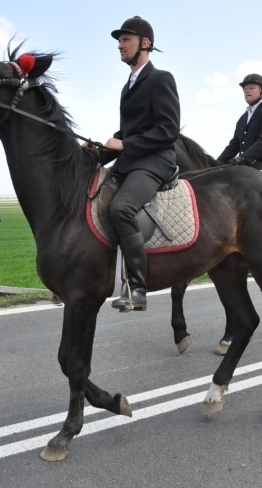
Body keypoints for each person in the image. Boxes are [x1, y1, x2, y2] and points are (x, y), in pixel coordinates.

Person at [88, 16, 180, 312]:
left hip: (156, 161)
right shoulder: (127, 86)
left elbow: (168, 130)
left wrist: (126, 144)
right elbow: (125, 134)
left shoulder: (161, 78)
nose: (120, 45)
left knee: (121, 208)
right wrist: (100, 151)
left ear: (146, 43)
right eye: (119, 40)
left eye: (125, 39)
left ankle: (137, 289)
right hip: (130, 162)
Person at [217, 74, 262, 178]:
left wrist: (243, 157)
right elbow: (233, 146)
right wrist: (216, 163)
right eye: (245, 89)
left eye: (252, 88)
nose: (247, 91)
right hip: (246, 167)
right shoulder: (242, 119)